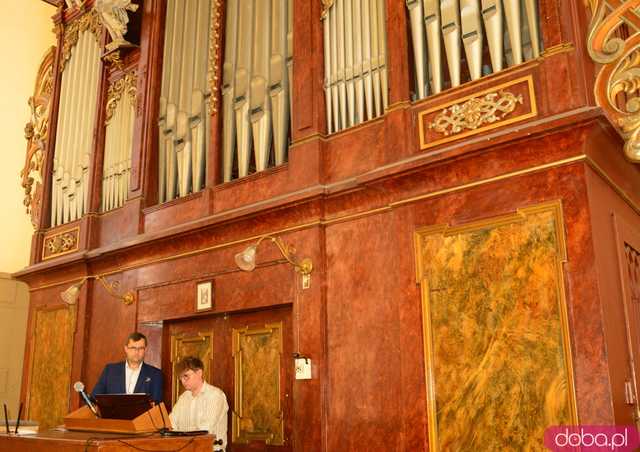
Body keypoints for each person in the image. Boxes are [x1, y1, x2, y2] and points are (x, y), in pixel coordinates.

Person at [169, 356, 229, 451]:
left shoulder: (215, 396)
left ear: (199, 373)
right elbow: (171, 424)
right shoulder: (183, 398)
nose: (183, 381)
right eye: (181, 377)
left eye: (186, 376)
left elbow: (205, 430)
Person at [91, 332, 163, 404]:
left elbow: (156, 404)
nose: (137, 352)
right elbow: (94, 398)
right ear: (126, 349)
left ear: (145, 350)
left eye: (141, 348)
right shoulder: (110, 371)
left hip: (142, 415)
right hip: (113, 414)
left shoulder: (155, 374)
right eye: (133, 348)